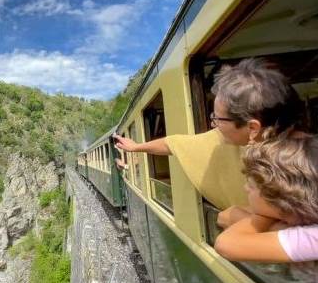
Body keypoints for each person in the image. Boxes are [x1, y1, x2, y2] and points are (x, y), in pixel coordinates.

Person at [113, 58, 304, 209]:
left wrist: (234, 216)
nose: (214, 124)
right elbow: (173, 143)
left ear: (252, 128)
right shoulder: (226, 139)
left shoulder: (302, 166)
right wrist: (136, 147)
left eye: (219, 119)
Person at [214, 135, 318, 262]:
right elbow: (225, 216)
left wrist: (261, 218)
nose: (245, 188)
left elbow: (227, 244)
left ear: (281, 198)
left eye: (251, 185)